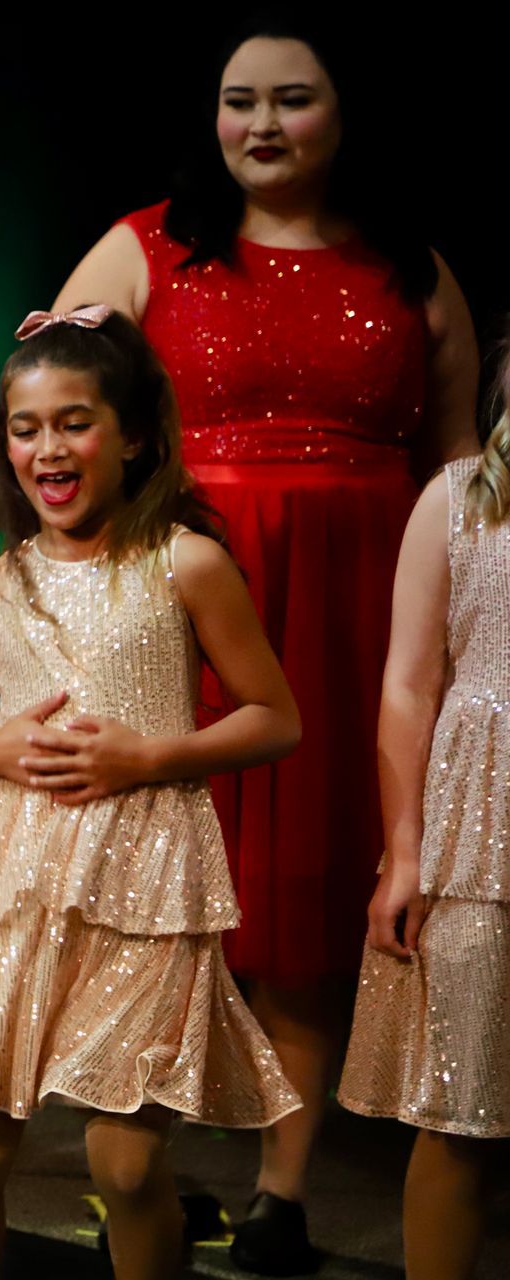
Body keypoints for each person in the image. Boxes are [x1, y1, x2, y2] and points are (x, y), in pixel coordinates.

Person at [53, 22, 479, 1268]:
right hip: (193, 589)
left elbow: (461, 461)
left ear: (344, 116)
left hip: (360, 598)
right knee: (170, 878)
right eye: (241, 102)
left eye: (294, 100)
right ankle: (150, 1171)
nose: (264, 125)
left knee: (313, 880)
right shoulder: (148, 247)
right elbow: (58, 400)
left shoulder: (412, 265)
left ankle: (283, 1187)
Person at [0, 307, 303, 1280]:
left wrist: (146, 757)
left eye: (73, 422)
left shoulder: (184, 562)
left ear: (135, 435)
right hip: (10, 877)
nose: (47, 448)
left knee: (127, 1154)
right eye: (26, 428)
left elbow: (276, 717)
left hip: (145, 875)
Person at [338, 344, 510, 1280]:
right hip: (479, 831)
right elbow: (407, 686)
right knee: (461, 1103)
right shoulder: (460, 500)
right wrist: (404, 854)